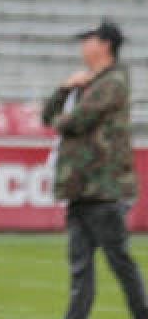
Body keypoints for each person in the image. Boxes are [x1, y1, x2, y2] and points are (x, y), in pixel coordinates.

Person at [42, 20, 148, 319]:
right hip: (81, 190)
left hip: (105, 191)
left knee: (119, 261)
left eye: (88, 39)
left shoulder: (113, 82)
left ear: (105, 45)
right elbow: (48, 115)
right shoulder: (87, 83)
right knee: (81, 268)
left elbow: (74, 122)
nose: (83, 45)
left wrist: (63, 114)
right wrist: (64, 89)